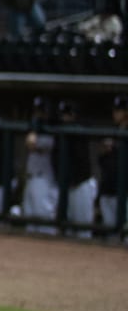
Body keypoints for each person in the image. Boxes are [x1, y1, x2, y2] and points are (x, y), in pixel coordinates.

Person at [56, 99, 97, 238]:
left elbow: (88, 124)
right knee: (66, 230)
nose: (65, 118)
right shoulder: (59, 131)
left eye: (68, 114)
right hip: (66, 186)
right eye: (63, 114)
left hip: (81, 185)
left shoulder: (82, 129)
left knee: (83, 229)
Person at [21, 95, 58, 234]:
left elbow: (31, 143)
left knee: (45, 222)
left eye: (41, 111)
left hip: (44, 180)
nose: (38, 114)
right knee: (30, 224)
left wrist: (33, 130)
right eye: (36, 111)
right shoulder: (35, 129)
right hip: (31, 179)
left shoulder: (51, 131)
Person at [98, 94, 128, 239]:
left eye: (120, 110)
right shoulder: (111, 132)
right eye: (115, 110)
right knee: (111, 236)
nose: (115, 113)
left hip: (125, 193)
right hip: (108, 189)